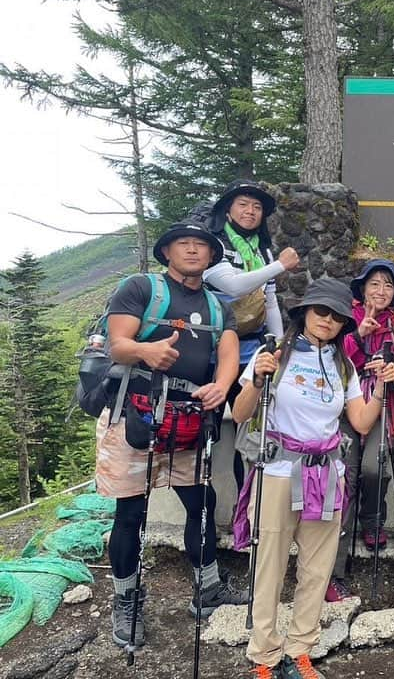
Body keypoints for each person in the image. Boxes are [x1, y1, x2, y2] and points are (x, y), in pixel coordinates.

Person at [231, 278, 394, 679]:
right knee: (269, 565)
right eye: (320, 311)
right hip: (277, 471)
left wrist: (380, 388)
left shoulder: (344, 367)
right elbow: (239, 414)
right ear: (304, 313)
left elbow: (359, 421)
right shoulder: (276, 356)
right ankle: (264, 657)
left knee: (317, 567)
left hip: (326, 473)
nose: (327, 320)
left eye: (337, 315)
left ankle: (300, 651)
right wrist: (256, 379)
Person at [95, 222, 245, 649]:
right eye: (185, 244)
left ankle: (209, 587)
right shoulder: (141, 289)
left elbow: (228, 355)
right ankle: (126, 600)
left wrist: (222, 383)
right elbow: (116, 344)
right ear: (167, 252)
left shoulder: (219, 308)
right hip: (135, 416)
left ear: (213, 257)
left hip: (190, 421)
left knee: (202, 503)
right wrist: (146, 350)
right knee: (130, 513)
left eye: (202, 246)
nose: (194, 250)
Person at [203, 179, 299, 488]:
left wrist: (279, 344)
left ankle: (245, 506)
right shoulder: (213, 245)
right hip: (211, 353)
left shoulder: (263, 251)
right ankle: (203, 508)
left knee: (249, 429)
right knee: (208, 429)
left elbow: (269, 301)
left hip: (250, 353)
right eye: (243, 204)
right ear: (227, 209)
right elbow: (233, 285)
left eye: (257, 207)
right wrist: (280, 266)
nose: (251, 211)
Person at [326, 259, 394, 602]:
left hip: (381, 406)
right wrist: (358, 336)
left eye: (388, 285)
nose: (381, 291)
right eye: (374, 284)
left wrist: (391, 372)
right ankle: (333, 570)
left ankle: (373, 519)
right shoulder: (346, 318)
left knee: (376, 467)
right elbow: (332, 356)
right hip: (344, 405)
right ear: (362, 289)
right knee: (343, 478)